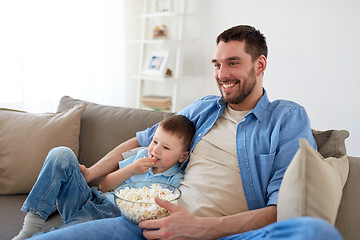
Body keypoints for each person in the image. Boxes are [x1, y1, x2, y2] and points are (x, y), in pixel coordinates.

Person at [29, 25, 342, 240]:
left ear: (259, 65)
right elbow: (141, 140)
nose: (222, 74)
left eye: (233, 63)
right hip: (149, 224)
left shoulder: (286, 117)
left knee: (316, 232)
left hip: (227, 233)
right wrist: (91, 175)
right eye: (217, 64)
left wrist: (200, 229)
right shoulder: (204, 107)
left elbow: (279, 211)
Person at [13, 114, 195, 240]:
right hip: (92, 199)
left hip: (109, 217)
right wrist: (131, 169)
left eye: (166, 148)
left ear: (183, 156)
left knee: (65, 234)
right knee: (61, 154)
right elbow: (103, 186)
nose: (155, 149)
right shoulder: (140, 157)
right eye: (155, 141)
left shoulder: (175, 182)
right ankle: (29, 228)